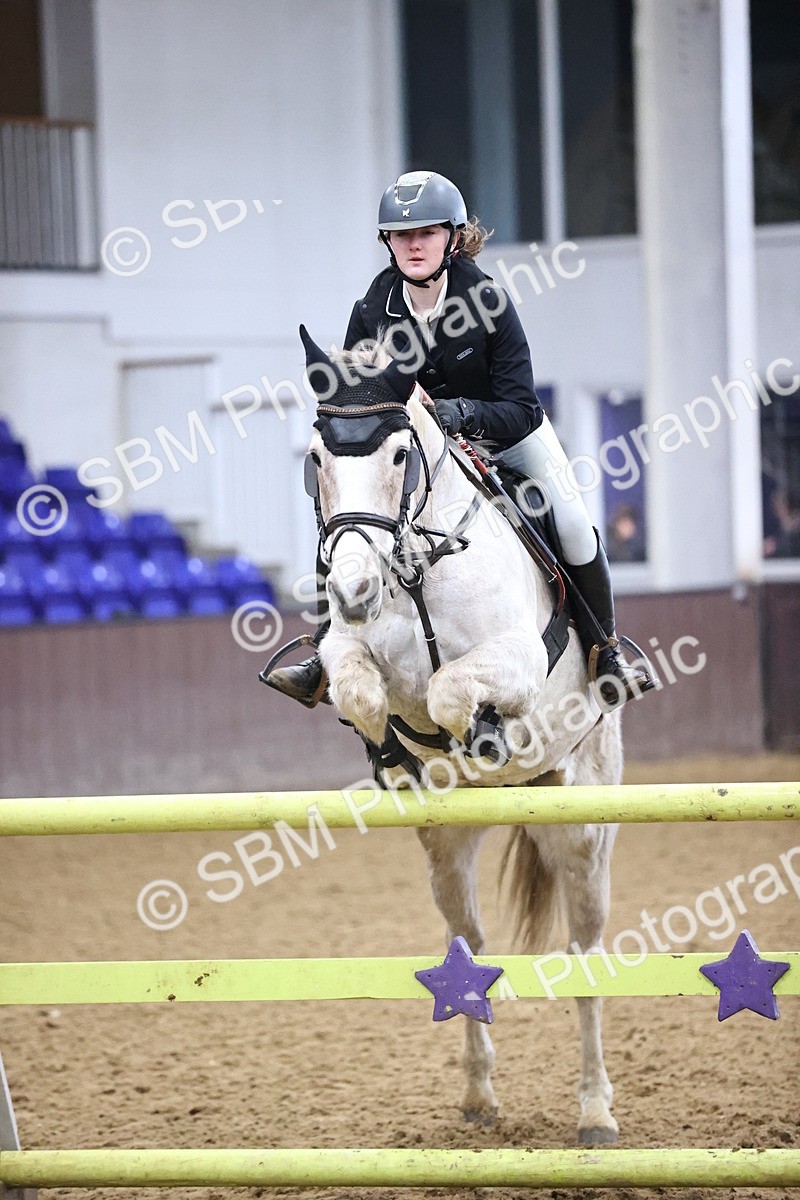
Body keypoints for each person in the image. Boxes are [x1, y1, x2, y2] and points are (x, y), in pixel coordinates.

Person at [264, 170, 655, 709]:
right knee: (347, 521)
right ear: (388, 243)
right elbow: (360, 399)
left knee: (569, 518)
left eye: (426, 232)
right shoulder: (372, 310)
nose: (414, 244)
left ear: (452, 237)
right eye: (402, 235)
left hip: (506, 437)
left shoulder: (488, 301)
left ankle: (606, 652)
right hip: (418, 448)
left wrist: (454, 411)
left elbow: (520, 408)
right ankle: (325, 654)